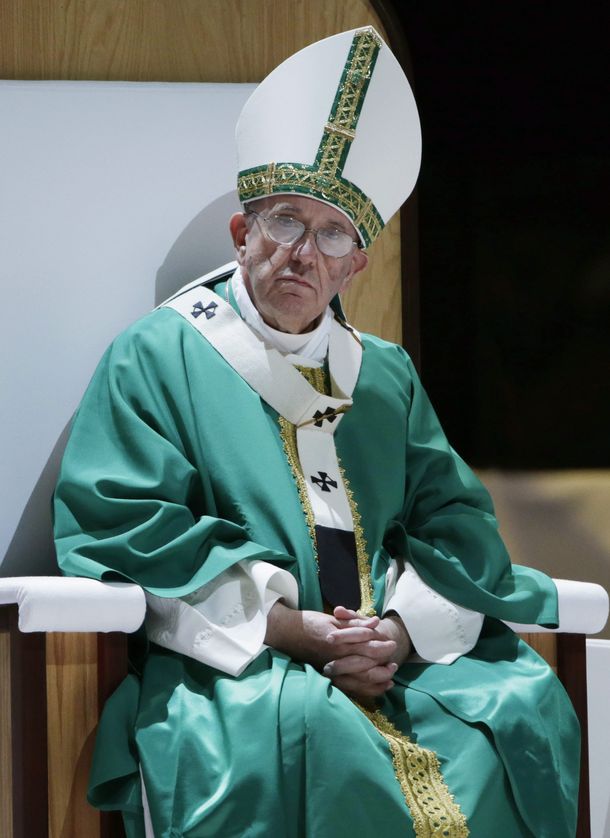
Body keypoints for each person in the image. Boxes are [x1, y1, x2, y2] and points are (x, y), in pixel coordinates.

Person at [53, 27, 579, 838]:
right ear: (243, 235)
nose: (304, 254)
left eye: (333, 236)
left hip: (391, 659)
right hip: (248, 658)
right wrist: (292, 630)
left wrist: (397, 632)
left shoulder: (385, 375)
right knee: (306, 736)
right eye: (286, 222)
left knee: (518, 704)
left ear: (354, 266)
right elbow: (125, 524)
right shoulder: (159, 354)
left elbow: (457, 527)